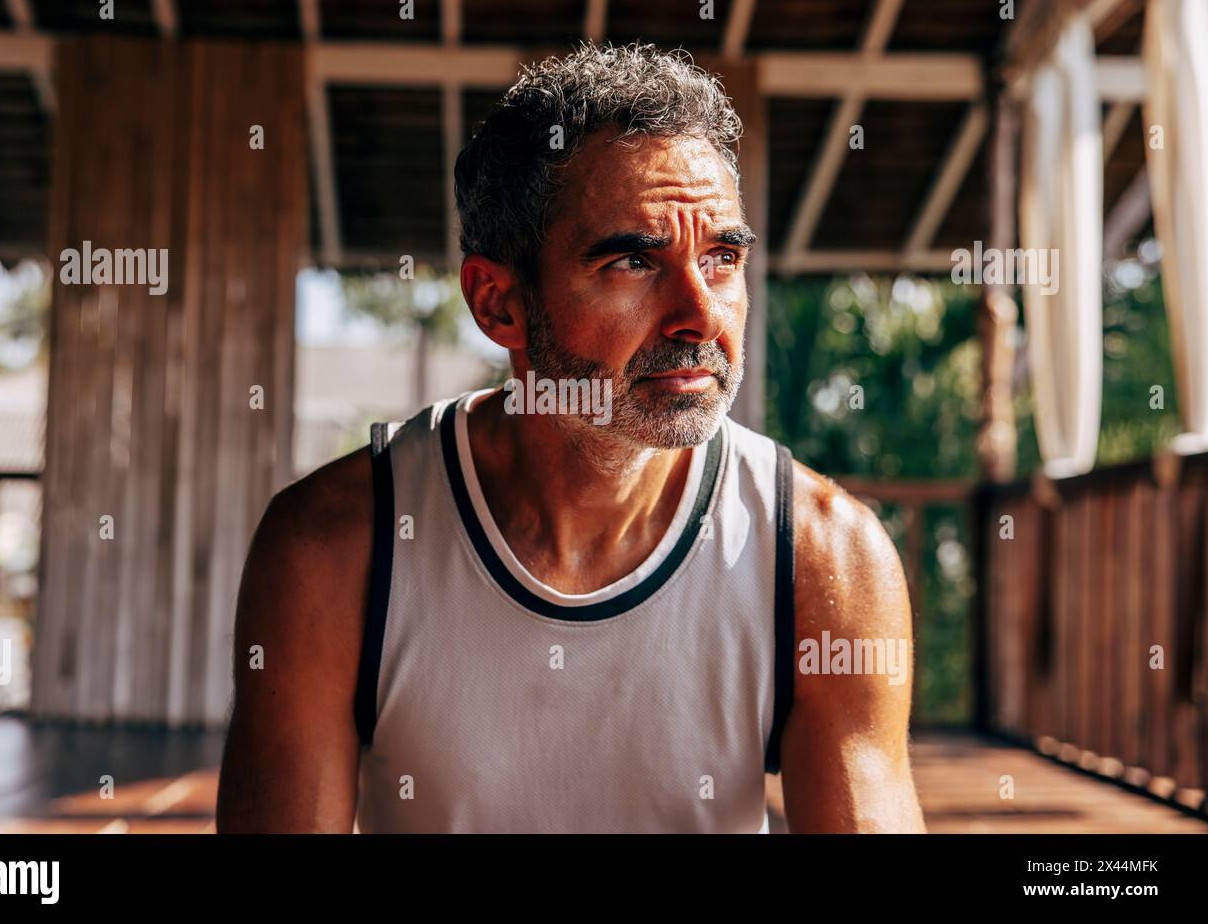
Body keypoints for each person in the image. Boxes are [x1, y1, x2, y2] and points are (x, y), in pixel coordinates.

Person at [217, 42, 925, 833]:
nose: (701, 314)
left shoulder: (826, 559)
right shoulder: (334, 550)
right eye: (632, 261)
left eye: (722, 257)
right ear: (499, 304)